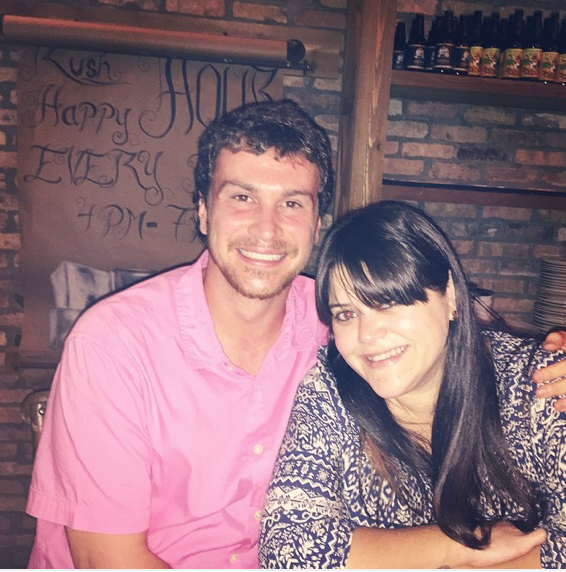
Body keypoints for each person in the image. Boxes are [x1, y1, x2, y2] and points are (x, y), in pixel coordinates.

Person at [25, 100, 566, 569]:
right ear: (203, 212)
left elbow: (443, 332)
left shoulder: (338, 319)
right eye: (242, 197)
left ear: (316, 224)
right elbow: (108, 562)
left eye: (291, 203)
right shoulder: (114, 346)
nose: (267, 228)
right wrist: (464, 547)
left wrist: (548, 359)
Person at [259, 200, 566, 569]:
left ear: (450, 295)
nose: (367, 335)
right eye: (346, 313)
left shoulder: (537, 383)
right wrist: (463, 546)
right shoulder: (331, 389)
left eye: (388, 302)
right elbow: (286, 549)